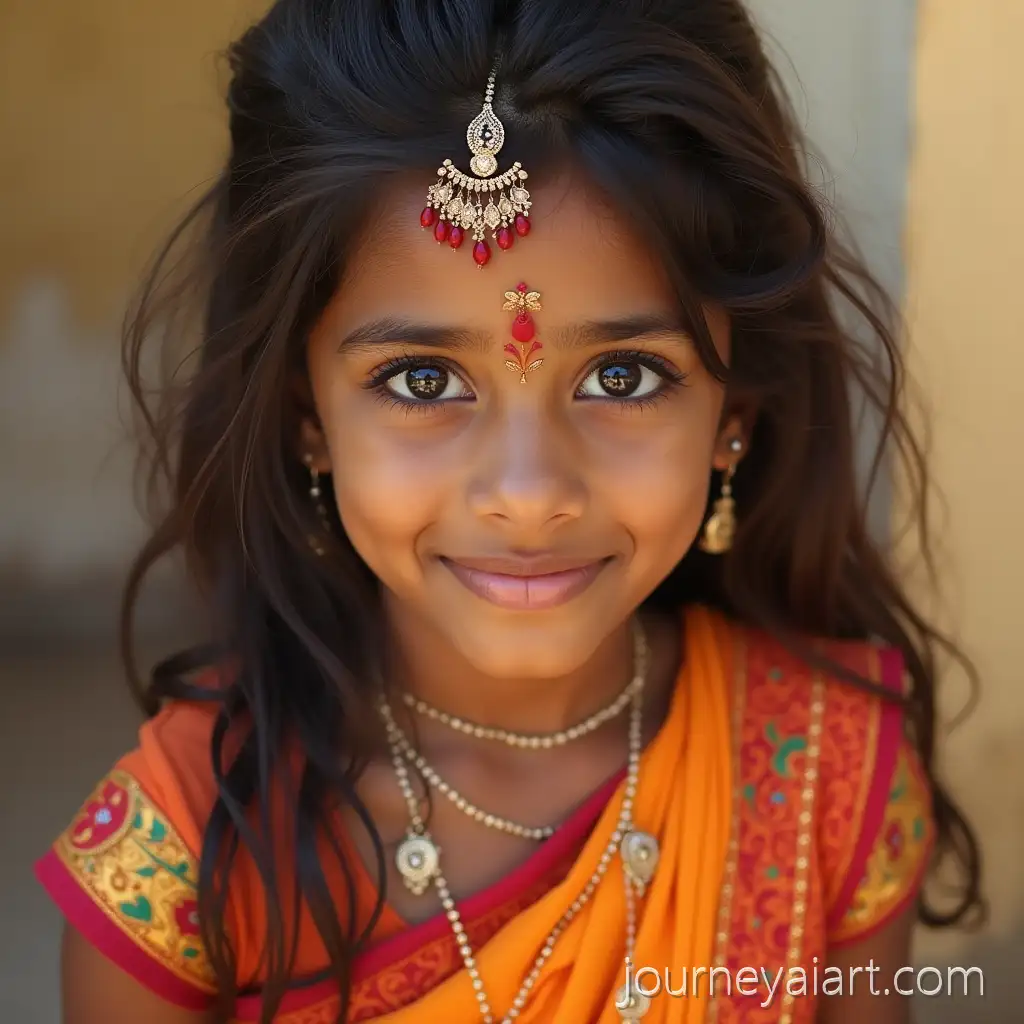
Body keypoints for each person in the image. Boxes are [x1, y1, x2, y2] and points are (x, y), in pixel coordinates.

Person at [35, 1, 983, 1022]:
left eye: (621, 376)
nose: (528, 492)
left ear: (731, 419)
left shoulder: (824, 775)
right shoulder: (183, 852)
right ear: (306, 418)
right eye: (422, 380)